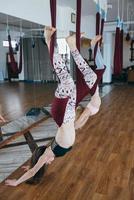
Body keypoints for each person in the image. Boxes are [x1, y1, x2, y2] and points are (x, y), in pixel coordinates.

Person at [5, 26, 101, 186]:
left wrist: (17, 182)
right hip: (68, 114)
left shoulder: (48, 152)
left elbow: (33, 171)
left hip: (60, 113)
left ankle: (49, 40)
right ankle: (72, 45)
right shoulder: (55, 150)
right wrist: (87, 115)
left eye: (45, 162)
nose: (48, 163)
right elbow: (74, 128)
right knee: (91, 78)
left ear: (42, 156)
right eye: (47, 163)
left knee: (68, 81)